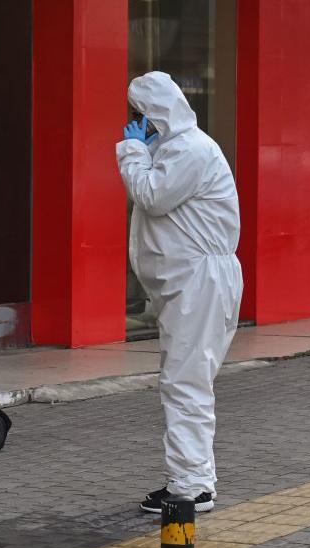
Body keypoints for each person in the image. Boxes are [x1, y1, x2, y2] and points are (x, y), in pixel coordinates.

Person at [116, 71, 243, 514]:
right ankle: (194, 480)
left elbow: (151, 195)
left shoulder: (189, 149)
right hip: (194, 284)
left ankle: (191, 488)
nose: (135, 125)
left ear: (155, 115)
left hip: (200, 285)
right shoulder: (179, 149)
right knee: (188, 382)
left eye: (139, 117)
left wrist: (132, 150)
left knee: (185, 383)